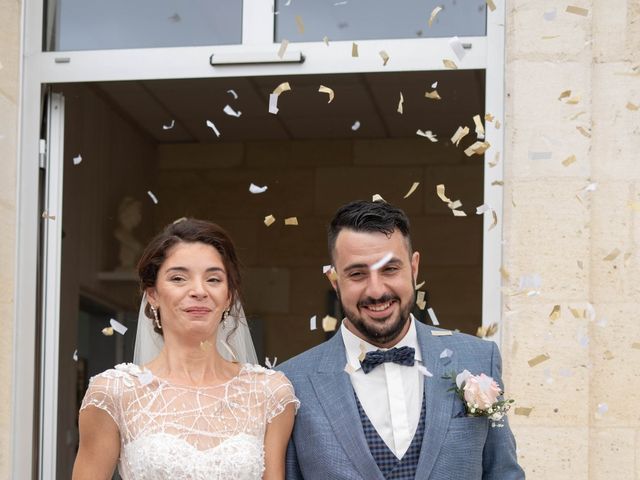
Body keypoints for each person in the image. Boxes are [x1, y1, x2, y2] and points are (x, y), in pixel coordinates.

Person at [278, 200, 524, 480]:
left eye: (390, 269)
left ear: (414, 267)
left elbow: (504, 474)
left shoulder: (478, 359)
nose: (376, 290)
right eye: (357, 274)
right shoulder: (289, 383)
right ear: (334, 280)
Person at [73, 218, 299, 480]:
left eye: (213, 279)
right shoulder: (113, 393)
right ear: (153, 294)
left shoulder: (269, 393)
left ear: (229, 296)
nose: (199, 291)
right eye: (179, 278)